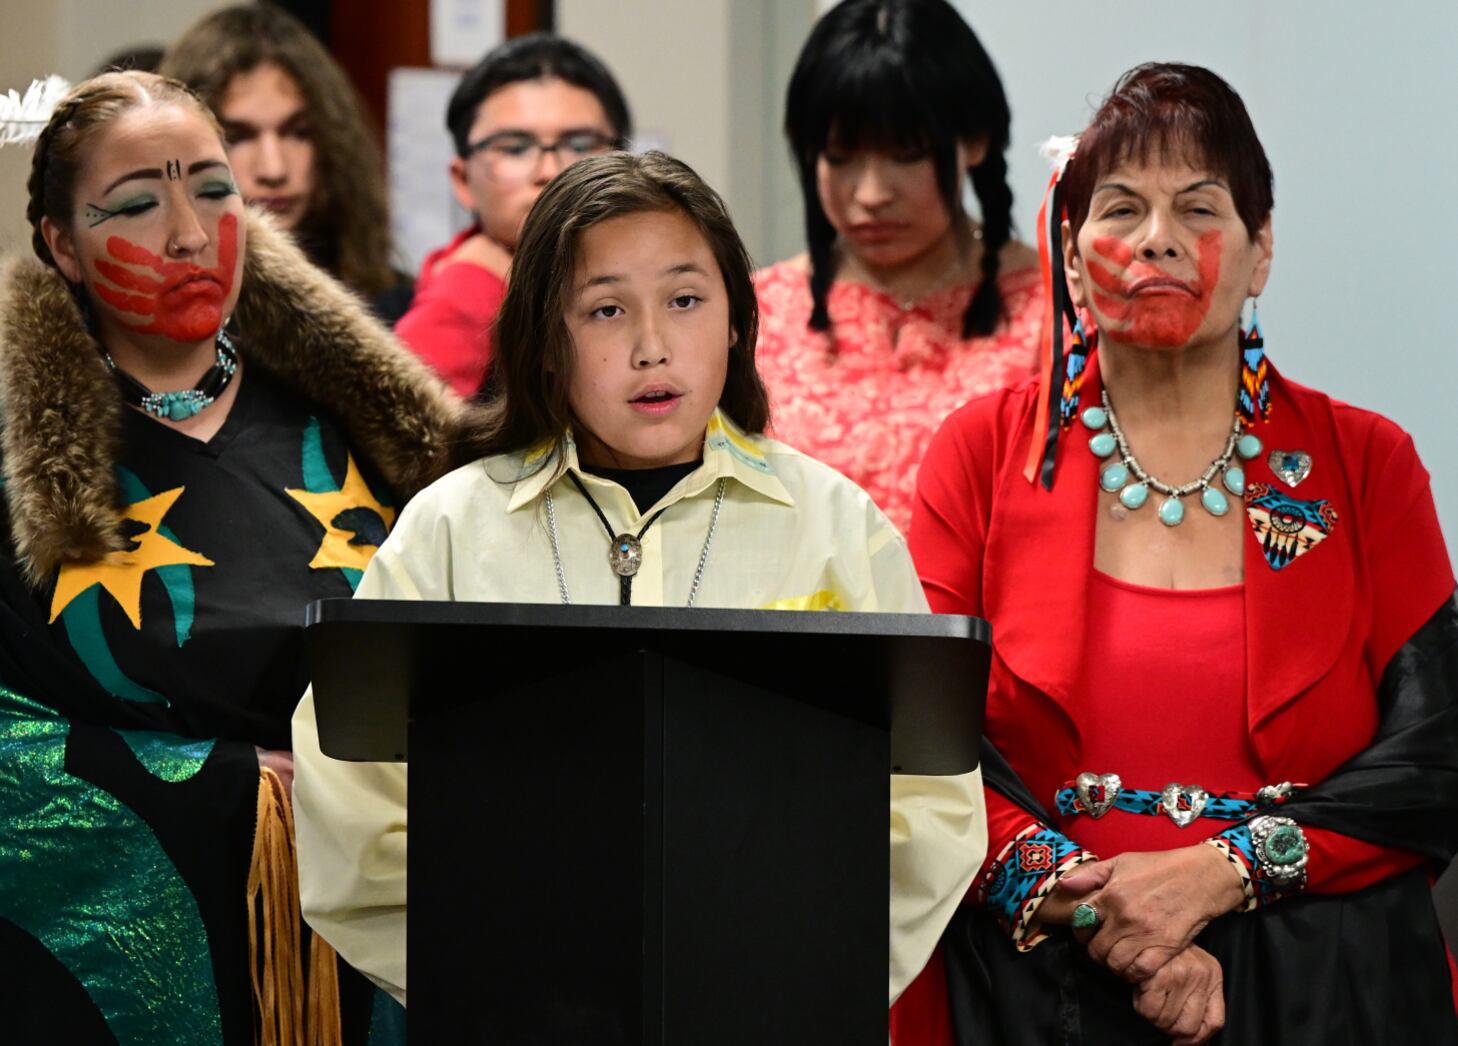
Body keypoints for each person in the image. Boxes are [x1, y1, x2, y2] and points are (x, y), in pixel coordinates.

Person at [291, 150, 986, 1017]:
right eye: (606, 310)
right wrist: (487, 974)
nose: (652, 347)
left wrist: (801, 970)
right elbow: (350, 802)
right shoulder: (451, 528)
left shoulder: (833, 525)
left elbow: (931, 811)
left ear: (737, 319)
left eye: (686, 300)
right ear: (545, 342)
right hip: (512, 1013)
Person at [0, 70, 451, 1043]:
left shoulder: (367, 423)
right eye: (138, 202)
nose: (188, 232)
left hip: (381, 960)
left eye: (214, 187)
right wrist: (243, 791)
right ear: (62, 243)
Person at [906, 63, 1458, 1044]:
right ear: (1071, 258)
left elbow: (1433, 759)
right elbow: (913, 748)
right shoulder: (980, 454)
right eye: (1120, 207)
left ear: (1260, 252)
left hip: (1324, 986)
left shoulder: (1366, 462)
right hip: (1036, 990)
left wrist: (1217, 875)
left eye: (1197, 208)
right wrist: (1111, 916)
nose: (1156, 237)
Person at [755, 0, 1045, 534]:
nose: (870, 194)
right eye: (840, 158)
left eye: (906, 154)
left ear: (975, 140)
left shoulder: (1052, 311)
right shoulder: (755, 314)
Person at [393, 32, 632, 398]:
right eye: (515, 148)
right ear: (462, 180)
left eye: (580, 145)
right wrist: (469, 293)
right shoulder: (454, 295)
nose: (550, 170)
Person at [161, 4, 414, 324]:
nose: (274, 169)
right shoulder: (144, 324)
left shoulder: (392, 308)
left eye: (298, 132)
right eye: (237, 137)